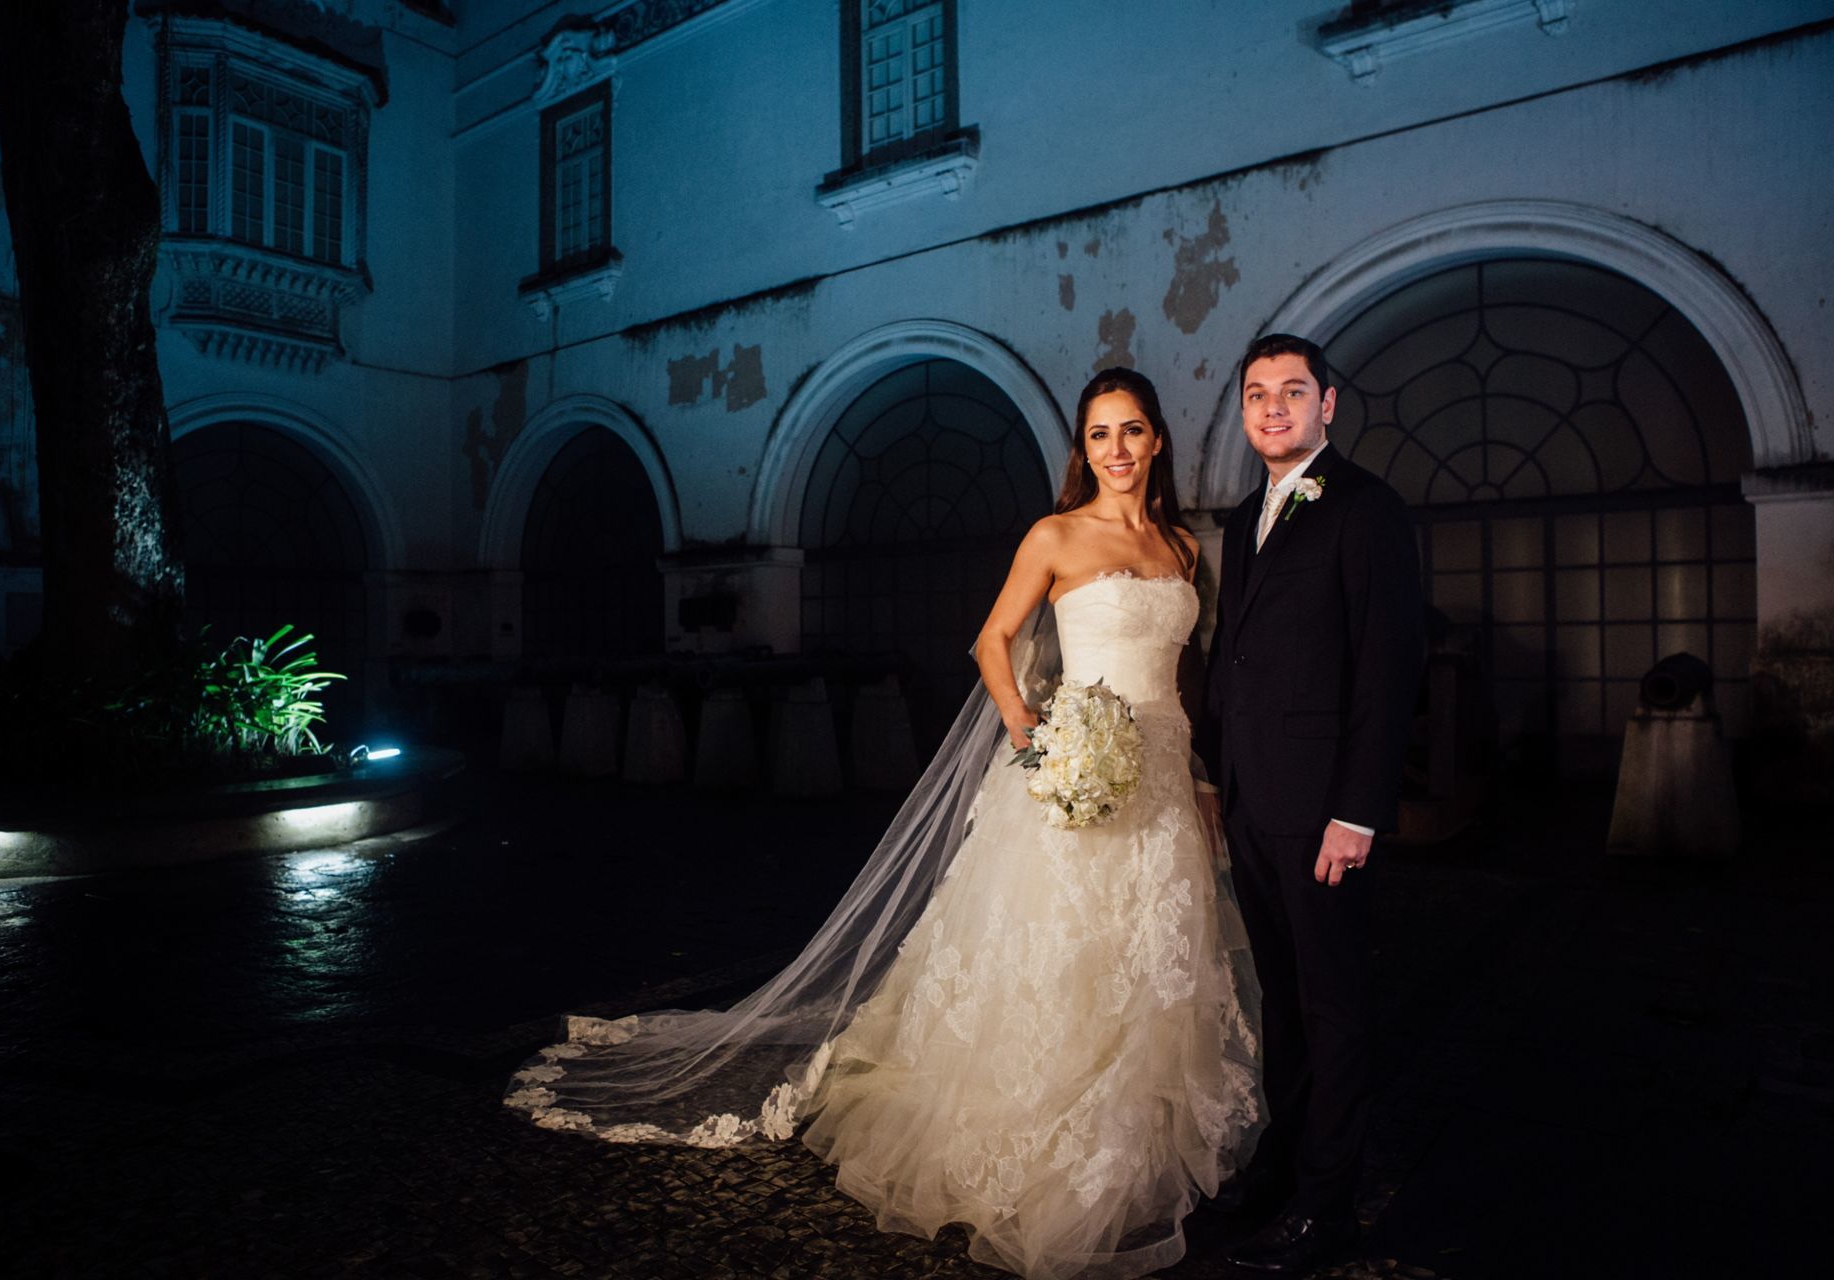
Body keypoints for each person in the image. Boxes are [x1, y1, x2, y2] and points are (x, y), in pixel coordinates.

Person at [505, 368, 1262, 1280]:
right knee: (1063, 956)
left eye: (1132, 431)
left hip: (1166, 781)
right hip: (1078, 773)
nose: (1118, 451)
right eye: (1100, 435)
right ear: (1083, 447)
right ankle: (1043, 1137)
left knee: (1159, 960)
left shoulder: (1183, 548)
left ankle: (1132, 1142)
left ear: (1158, 441)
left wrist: (1205, 778)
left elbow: (1186, 680)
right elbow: (991, 641)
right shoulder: (1054, 534)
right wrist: (1037, 733)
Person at [1193, 334, 1423, 1273]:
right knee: (1279, 1005)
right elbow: (1232, 655)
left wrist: (1358, 810)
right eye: (1257, 395)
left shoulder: (1368, 509)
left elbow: (1388, 666)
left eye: (1294, 392)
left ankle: (1328, 1208)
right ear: (1245, 413)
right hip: (1252, 799)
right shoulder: (1248, 512)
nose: (1275, 408)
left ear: (1330, 404)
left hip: (1325, 809)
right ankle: (1281, 1171)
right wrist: (1215, 777)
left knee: (1334, 1009)